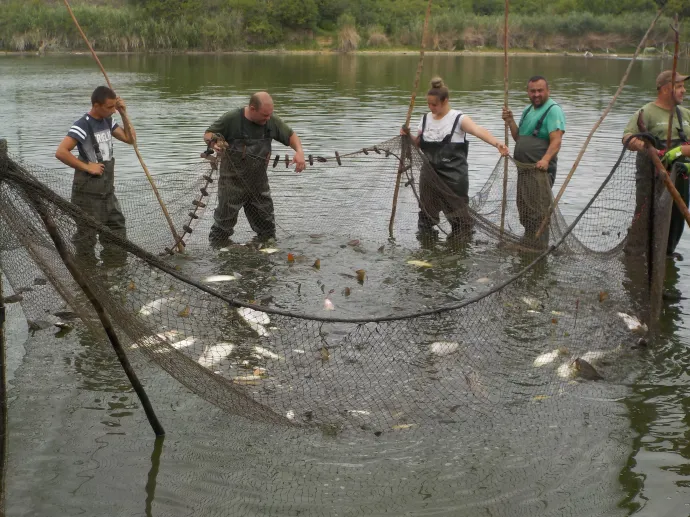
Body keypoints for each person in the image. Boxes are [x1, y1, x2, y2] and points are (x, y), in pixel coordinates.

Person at [404, 77, 509, 241]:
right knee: (426, 214)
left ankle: (460, 247)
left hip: (454, 177)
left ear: (445, 100)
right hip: (429, 175)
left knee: (460, 219)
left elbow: (477, 130)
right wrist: (407, 135)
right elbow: (417, 144)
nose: (431, 108)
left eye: (434, 104)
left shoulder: (458, 118)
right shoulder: (425, 119)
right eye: (429, 104)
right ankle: (427, 245)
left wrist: (497, 143)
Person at [204, 91, 306, 246]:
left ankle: (262, 258)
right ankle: (219, 255)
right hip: (231, 183)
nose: (268, 119)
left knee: (267, 230)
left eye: (270, 115)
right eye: (265, 115)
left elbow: (291, 135)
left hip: (258, 184)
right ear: (252, 108)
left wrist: (299, 152)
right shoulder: (232, 119)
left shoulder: (270, 121)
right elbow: (208, 134)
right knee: (221, 229)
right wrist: (214, 142)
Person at [55, 85, 135, 267]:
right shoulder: (82, 125)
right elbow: (61, 152)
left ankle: (115, 267)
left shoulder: (109, 121)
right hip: (88, 191)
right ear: (96, 105)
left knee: (116, 226)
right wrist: (87, 166)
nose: (112, 109)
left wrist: (123, 113)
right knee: (87, 235)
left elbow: (130, 139)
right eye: (110, 107)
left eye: (114, 106)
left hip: (107, 190)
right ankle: (87, 274)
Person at [622, 70, 690, 259]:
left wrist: (682, 151)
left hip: (681, 179)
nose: (684, 90)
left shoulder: (685, 114)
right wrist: (648, 148)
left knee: (676, 220)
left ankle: (665, 257)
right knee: (646, 220)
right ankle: (635, 258)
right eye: (680, 86)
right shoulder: (646, 112)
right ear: (666, 89)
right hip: (651, 179)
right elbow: (627, 138)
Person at [502, 76, 566, 242]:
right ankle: (530, 240)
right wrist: (510, 121)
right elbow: (519, 138)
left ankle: (539, 247)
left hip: (539, 172)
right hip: (524, 170)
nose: (536, 94)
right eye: (533, 91)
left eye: (540, 91)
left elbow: (557, 140)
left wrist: (545, 159)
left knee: (538, 213)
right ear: (528, 92)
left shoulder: (553, 110)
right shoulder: (528, 110)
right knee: (525, 210)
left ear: (548, 91)